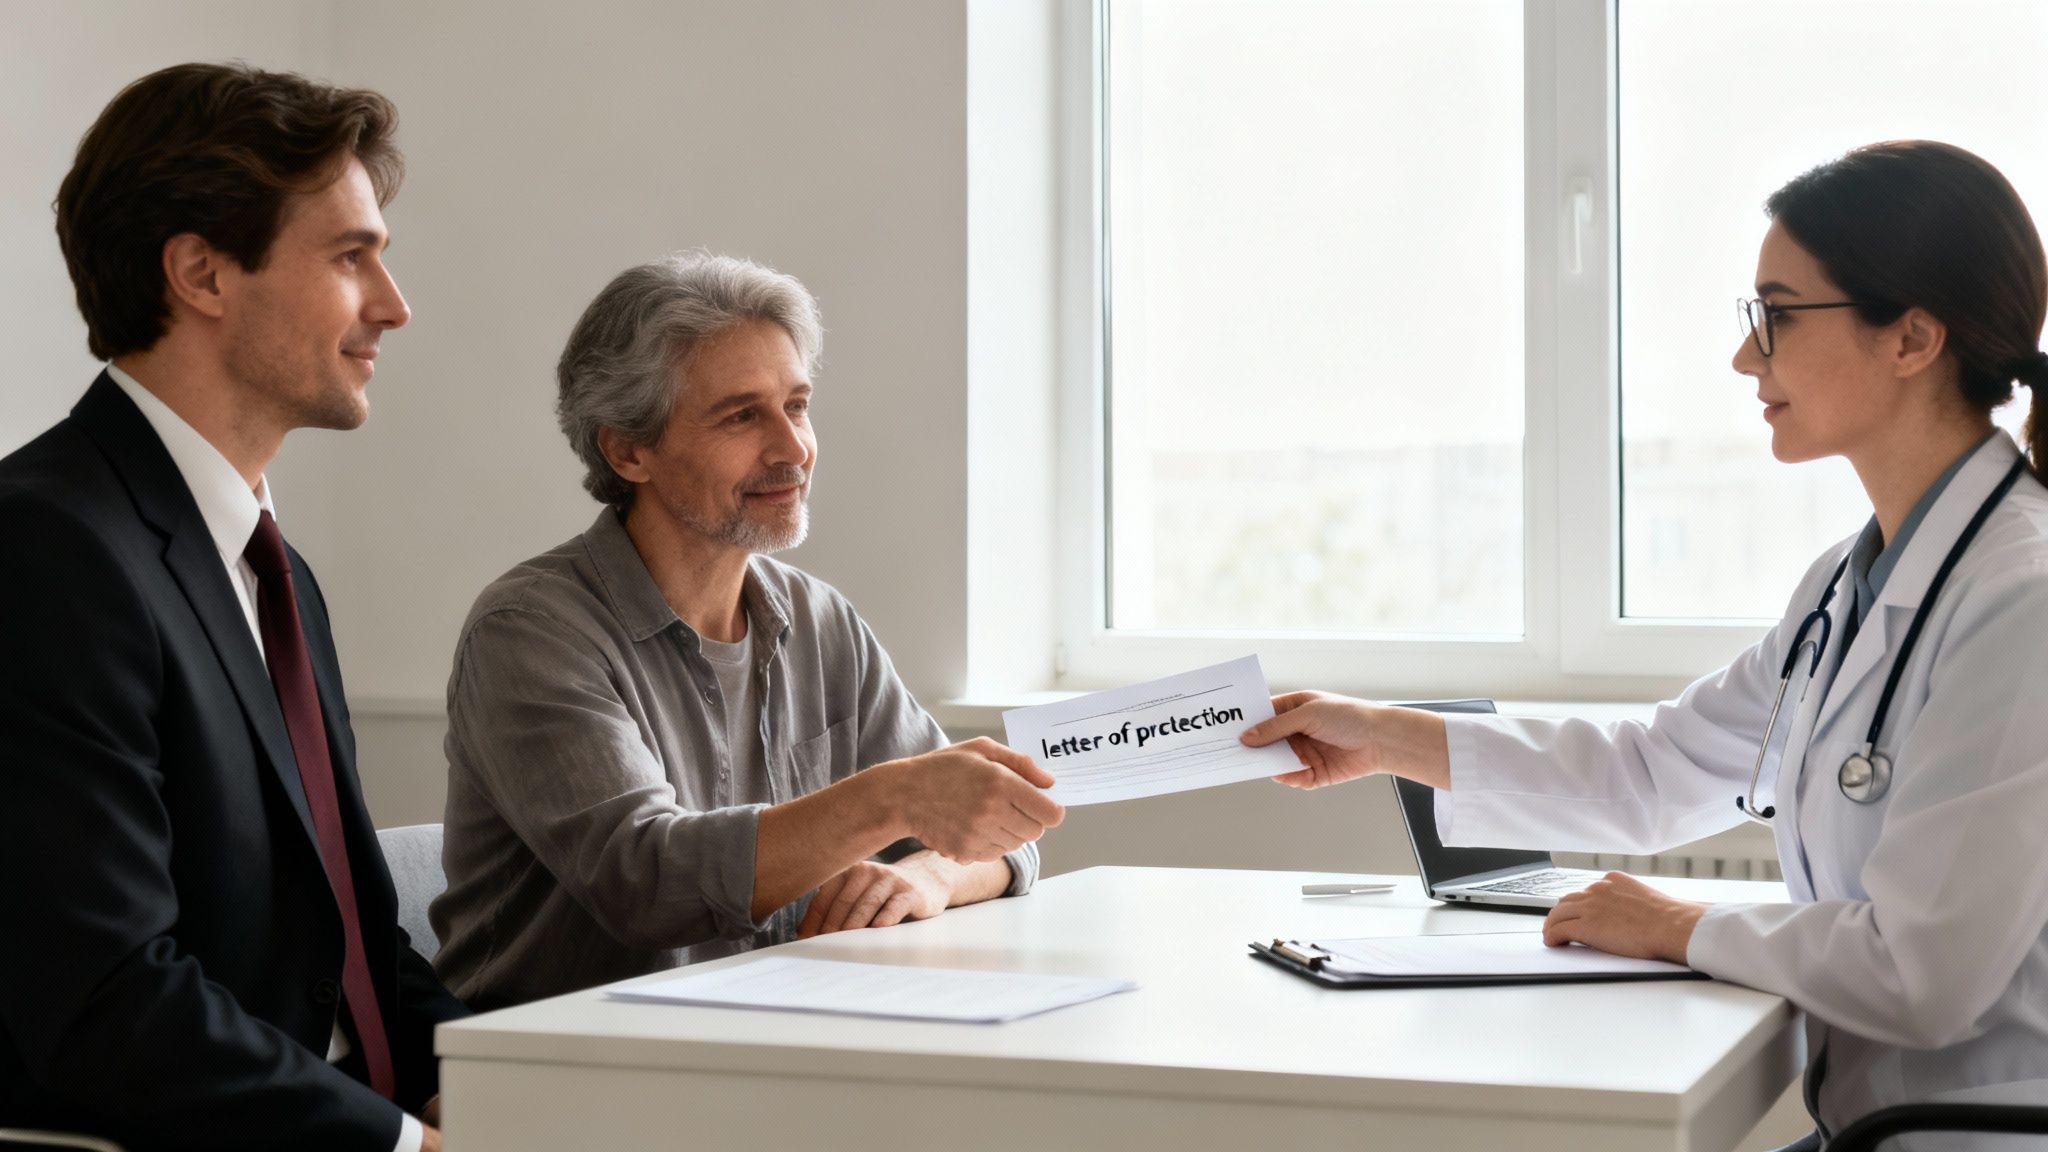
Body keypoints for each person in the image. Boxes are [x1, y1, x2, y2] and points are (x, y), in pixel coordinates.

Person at [1242, 140, 2048, 1148]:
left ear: (1910, 338)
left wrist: (1679, 927)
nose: (1745, 357)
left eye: (1776, 315)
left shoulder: (2021, 598)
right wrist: (1382, 736)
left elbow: (1920, 975)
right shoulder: (1848, 581)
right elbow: (1652, 770)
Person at [0, 64, 468, 1151]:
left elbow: (352, 944)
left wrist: (498, 1091)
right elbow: (110, 998)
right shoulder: (43, 550)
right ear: (201, 273)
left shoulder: (278, 570)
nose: (393, 308)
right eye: (351, 257)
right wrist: (404, 1146)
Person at [431, 253, 1063, 1009]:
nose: (793, 449)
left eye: (796, 406)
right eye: (742, 416)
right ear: (627, 449)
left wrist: (927, 874)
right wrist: (892, 800)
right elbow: (651, 886)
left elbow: (998, 832)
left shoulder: (822, 620)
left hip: (771, 1046)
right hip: (568, 1077)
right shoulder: (531, 632)